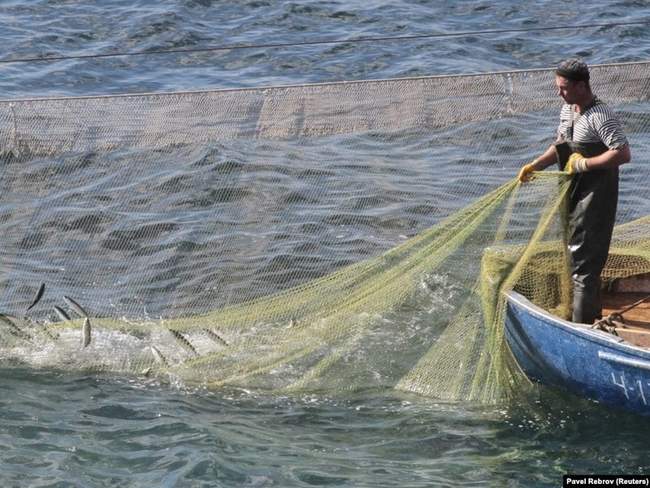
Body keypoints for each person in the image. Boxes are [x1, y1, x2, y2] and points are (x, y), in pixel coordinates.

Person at [518, 58, 631, 324]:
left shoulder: (600, 115)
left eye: (564, 88)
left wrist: (584, 164)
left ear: (582, 86)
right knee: (573, 255)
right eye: (558, 87)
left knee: (585, 264)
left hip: (596, 195)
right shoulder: (567, 110)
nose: (559, 93)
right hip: (572, 193)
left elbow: (623, 153)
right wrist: (535, 166)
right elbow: (560, 145)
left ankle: (585, 326)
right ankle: (586, 316)